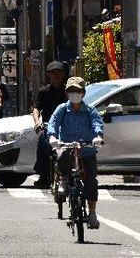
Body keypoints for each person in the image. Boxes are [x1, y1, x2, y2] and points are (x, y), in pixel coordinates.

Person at [46, 76, 104, 230]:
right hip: (67, 146)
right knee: (63, 154)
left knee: (91, 181)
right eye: (71, 91)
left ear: (83, 93)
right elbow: (52, 123)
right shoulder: (62, 109)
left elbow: (97, 122)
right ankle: (64, 179)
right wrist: (52, 137)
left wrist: (98, 136)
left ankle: (92, 213)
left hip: (87, 150)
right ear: (67, 93)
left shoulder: (90, 110)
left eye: (77, 91)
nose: (74, 94)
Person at [32, 61, 68, 188]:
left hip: (65, 126)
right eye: (53, 73)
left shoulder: (68, 92)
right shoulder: (44, 92)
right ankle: (43, 175)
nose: (56, 76)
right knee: (42, 142)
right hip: (49, 126)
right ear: (48, 75)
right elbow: (36, 108)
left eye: (59, 73)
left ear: (63, 75)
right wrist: (37, 122)